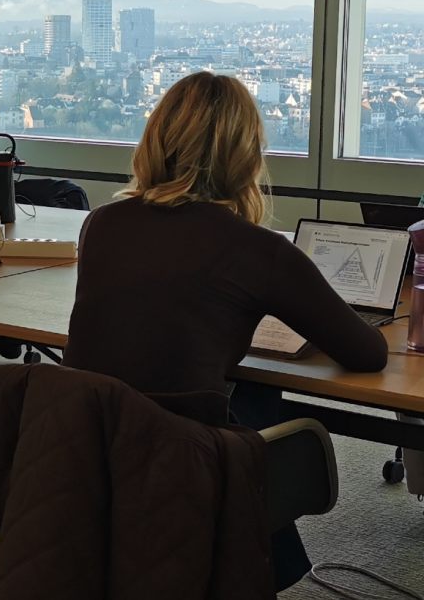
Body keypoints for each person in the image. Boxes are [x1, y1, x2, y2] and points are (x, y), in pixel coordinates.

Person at [61, 71, 387, 590]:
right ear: (246, 156)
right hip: (191, 462)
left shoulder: (101, 223)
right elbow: (366, 353)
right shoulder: (256, 250)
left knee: (252, 392)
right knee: (266, 404)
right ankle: (246, 565)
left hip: (92, 453)